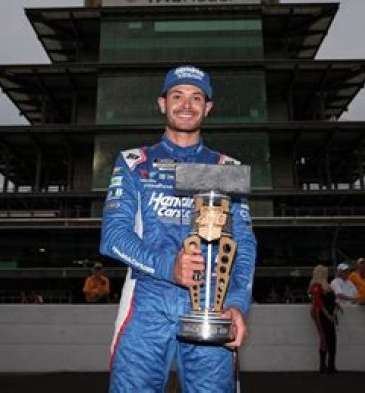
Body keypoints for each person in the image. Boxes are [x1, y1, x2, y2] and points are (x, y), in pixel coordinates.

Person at [100, 65, 257, 392]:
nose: (187, 105)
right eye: (178, 96)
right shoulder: (134, 163)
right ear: (163, 103)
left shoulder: (227, 169)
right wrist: (169, 267)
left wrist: (237, 303)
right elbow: (113, 238)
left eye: (196, 97)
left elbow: (243, 245)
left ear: (208, 108)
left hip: (212, 308)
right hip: (146, 304)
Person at [309, 265, 341, 374]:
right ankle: (323, 366)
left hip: (328, 313)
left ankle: (330, 365)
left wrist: (335, 307)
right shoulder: (316, 285)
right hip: (321, 313)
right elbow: (317, 301)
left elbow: (332, 299)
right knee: (325, 338)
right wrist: (327, 314)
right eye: (324, 272)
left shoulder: (326, 285)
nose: (326, 274)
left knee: (331, 338)